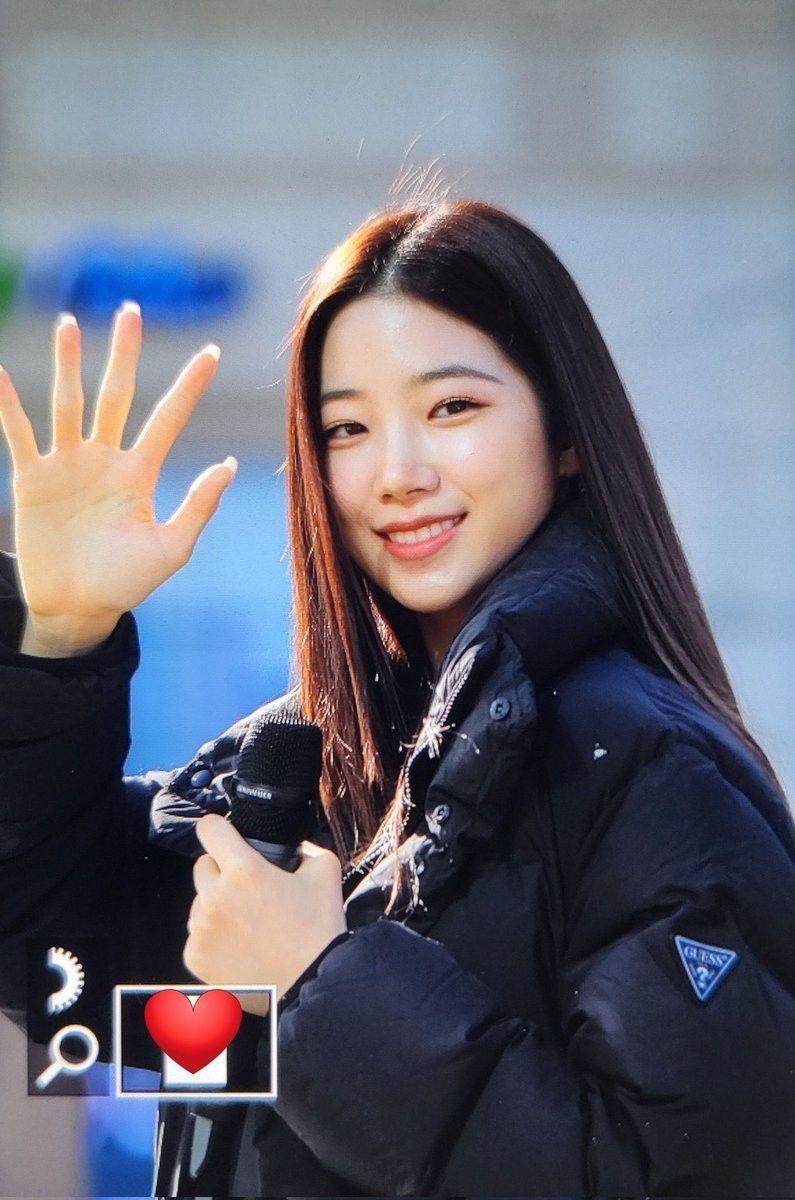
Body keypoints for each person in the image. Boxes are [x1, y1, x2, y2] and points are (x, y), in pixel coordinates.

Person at [0, 197, 794, 1199]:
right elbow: (51, 959)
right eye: (347, 428)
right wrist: (59, 639)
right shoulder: (306, 768)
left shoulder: (652, 772)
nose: (399, 473)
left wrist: (319, 988)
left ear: (565, 431)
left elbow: (688, 1175)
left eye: (451, 408)